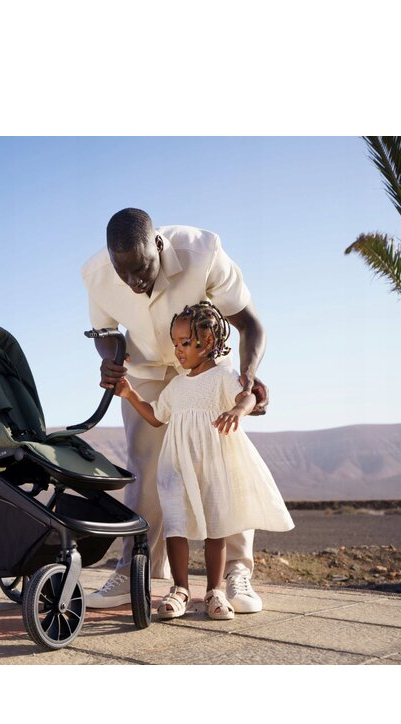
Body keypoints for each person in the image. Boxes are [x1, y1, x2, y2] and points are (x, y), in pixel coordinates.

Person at [81, 207, 269, 613]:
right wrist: (110, 359)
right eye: (124, 273)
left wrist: (248, 376)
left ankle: (236, 573)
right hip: (146, 369)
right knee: (145, 469)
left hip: (204, 365)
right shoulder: (97, 274)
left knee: (225, 466)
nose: (134, 282)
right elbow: (106, 333)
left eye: (142, 269)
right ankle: (136, 570)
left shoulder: (203, 252)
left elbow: (250, 324)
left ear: (158, 245)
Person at [113, 301, 294, 619]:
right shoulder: (177, 385)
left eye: (184, 343)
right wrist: (130, 394)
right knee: (175, 526)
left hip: (213, 467)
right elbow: (156, 417)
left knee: (216, 528)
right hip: (176, 467)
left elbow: (248, 396)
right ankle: (180, 589)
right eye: (175, 343)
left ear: (208, 341)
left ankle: (214, 591)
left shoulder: (223, 376)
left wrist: (237, 410)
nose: (178, 350)